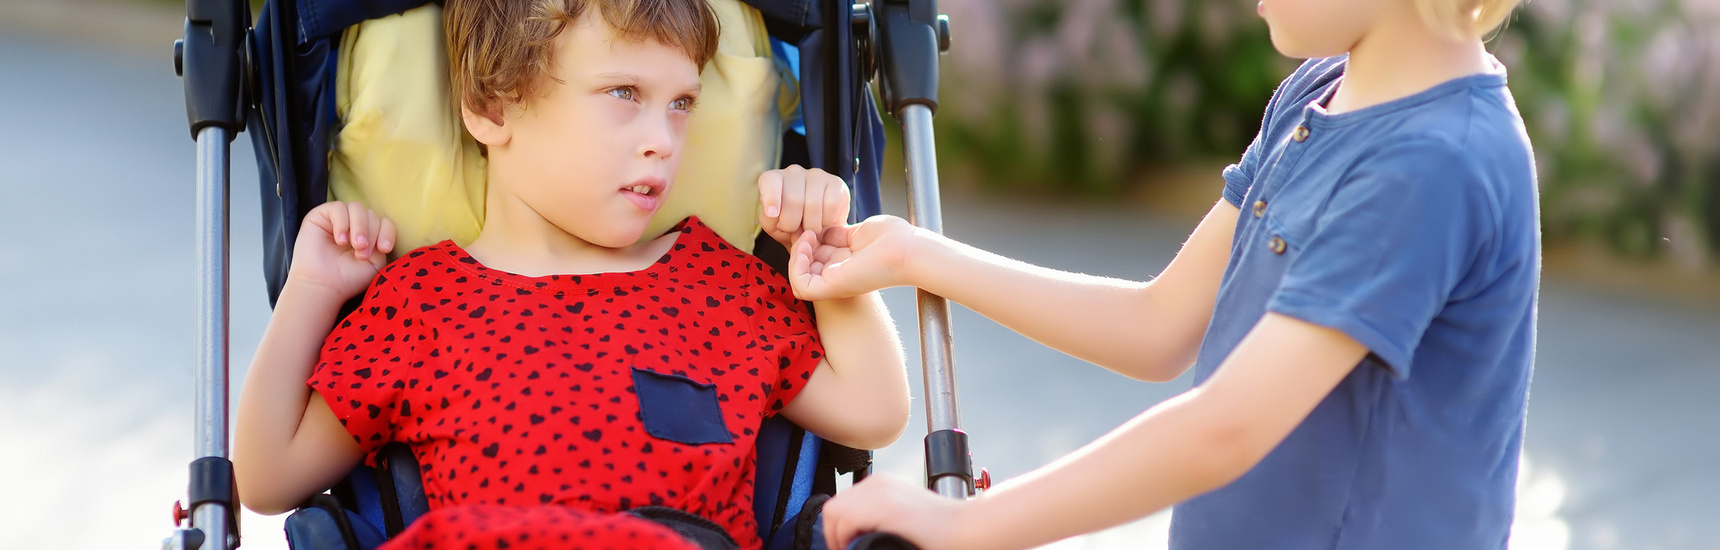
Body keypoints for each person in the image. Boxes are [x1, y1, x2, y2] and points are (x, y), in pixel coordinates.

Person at [804, 0, 1538, 547]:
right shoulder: (1322, 91)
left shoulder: (1432, 164)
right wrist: (917, 255)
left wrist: (967, 526)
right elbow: (1157, 326)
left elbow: (1228, 427)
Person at [231, 0, 910, 548]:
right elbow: (265, 477)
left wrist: (827, 255)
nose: (663, 141)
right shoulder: (419, 302)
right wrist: (311, 290)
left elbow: (873, 413)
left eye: (681, 103)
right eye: (624, 92)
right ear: (493, 108)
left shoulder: (720, 283)